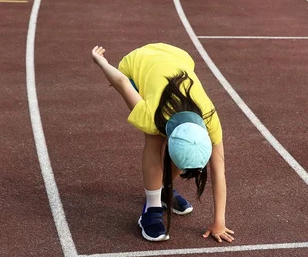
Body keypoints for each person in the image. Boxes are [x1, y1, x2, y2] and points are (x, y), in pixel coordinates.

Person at [91, 42, 234, 244]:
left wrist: (219, 221)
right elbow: (122, 81)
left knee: (180, 145)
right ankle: (151, 208)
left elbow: (219, 171)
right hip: (137, 63)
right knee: (154, 137)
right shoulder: (152, 115)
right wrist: (102, 62)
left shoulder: (211, 121)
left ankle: (165, 188)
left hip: (178, 56)